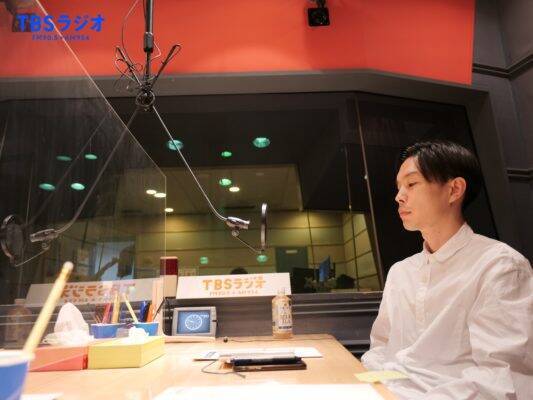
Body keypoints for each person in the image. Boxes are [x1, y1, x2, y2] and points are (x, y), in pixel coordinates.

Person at [361, 140, 532, 399]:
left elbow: (502, 380)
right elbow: (381, 349)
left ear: (454, 190)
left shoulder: (499, 266)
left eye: (411, 184)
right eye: (398, 187)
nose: (399, 196)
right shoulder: (401, 272)